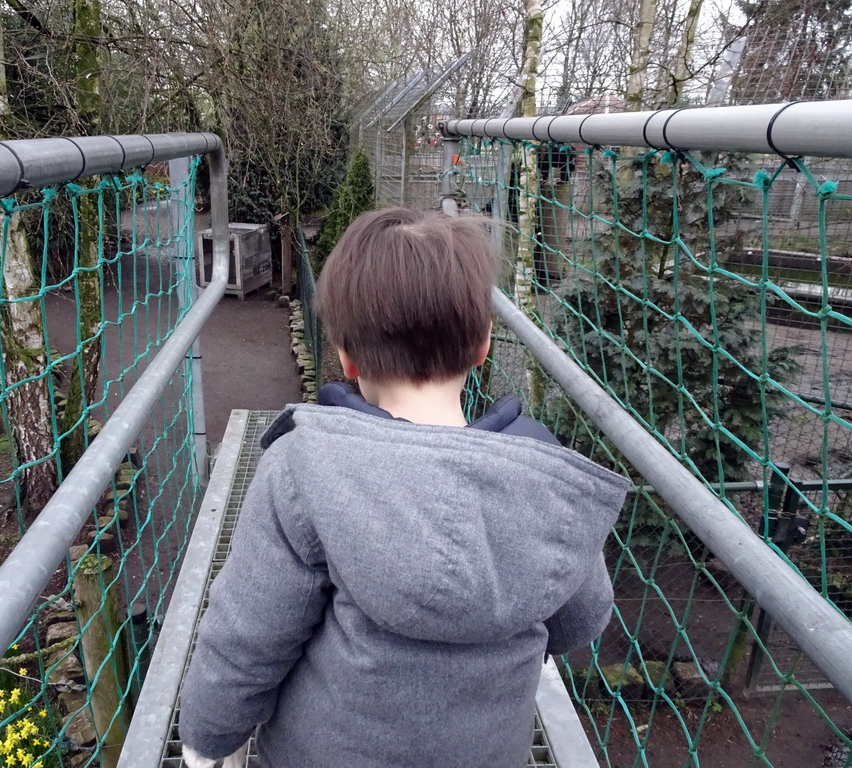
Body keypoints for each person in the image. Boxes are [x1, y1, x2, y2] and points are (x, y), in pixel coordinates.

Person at [178, 207, 629, 768]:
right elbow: (579, 621)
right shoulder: (545, 473)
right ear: (483, 344)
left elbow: (249, 631)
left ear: (344, 355)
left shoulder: (305, 466)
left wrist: (206, 739)